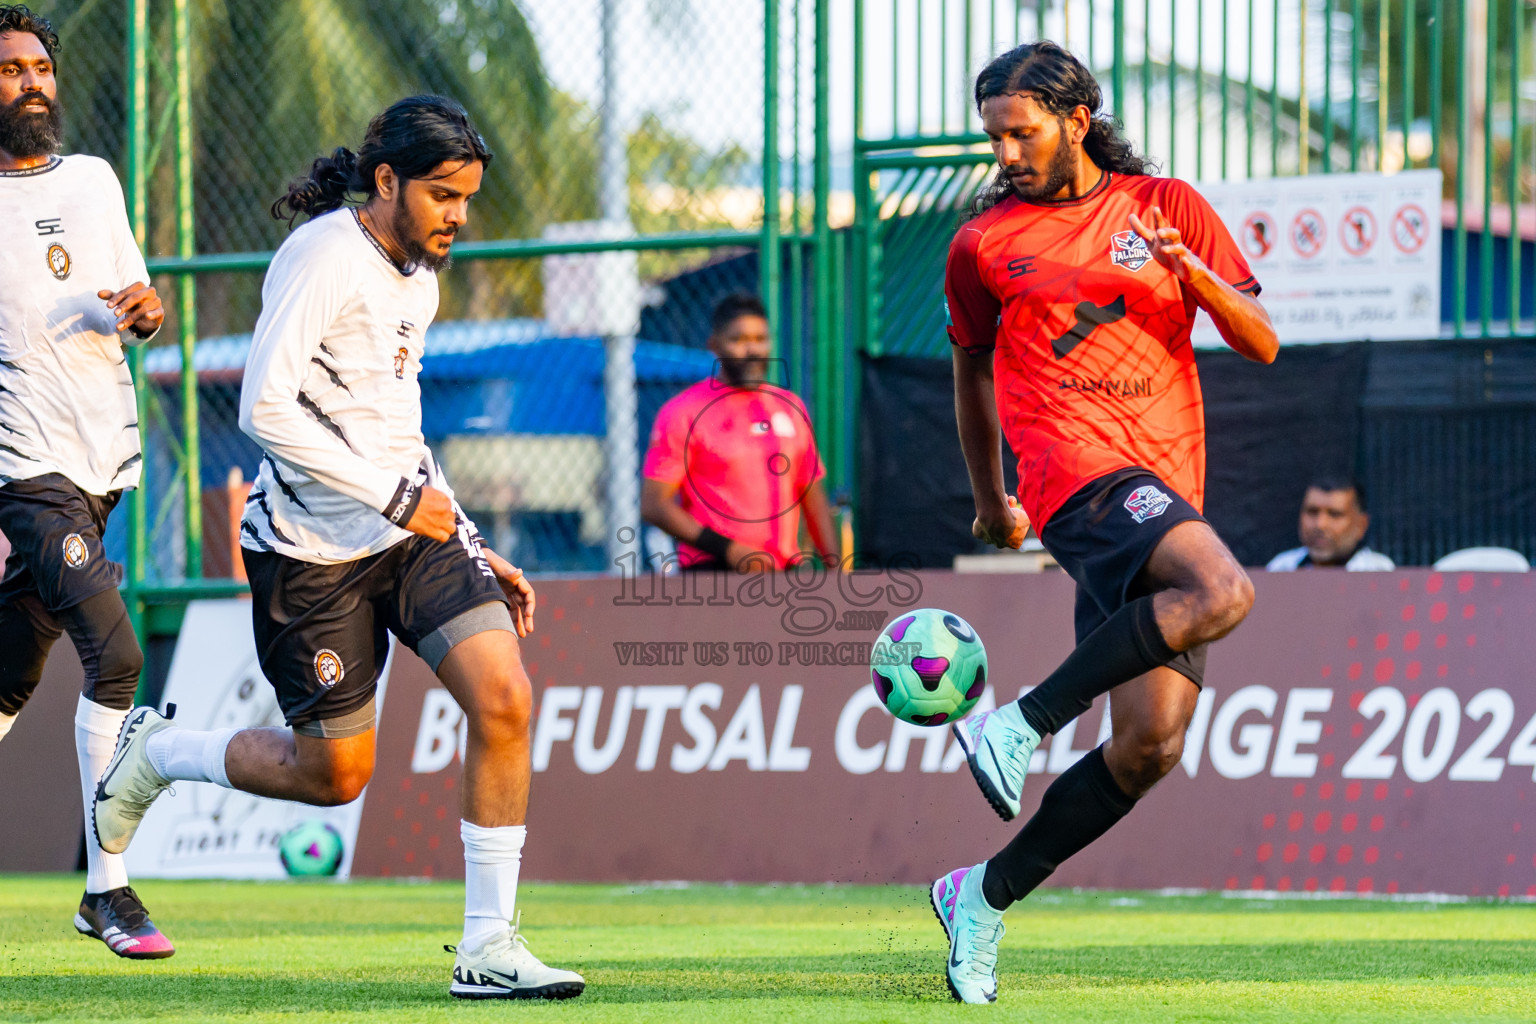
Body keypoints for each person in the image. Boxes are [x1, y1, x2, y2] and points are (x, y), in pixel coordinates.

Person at [91, 95, 584, 1000]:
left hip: (409, 539)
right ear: (386, 180)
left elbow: (401, 430)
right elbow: (263, 409)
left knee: (505, 697)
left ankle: (490, 948)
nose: (457, 217)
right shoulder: (323, 256)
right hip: (308, 553)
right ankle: (160, 753)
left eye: (468, 199)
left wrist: (466, 531)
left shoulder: (422, 279)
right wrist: (399, 497)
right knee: (335, 776)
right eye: (442, 195)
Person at [934, 42, 1278, 1004]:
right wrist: (990, 496)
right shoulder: (983, 245)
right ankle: (1021, 722)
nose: (1004, 151)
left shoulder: (1165, 208)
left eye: (1022, 131)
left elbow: (1262, 340)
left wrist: (1191, 273)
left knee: (1150, 746)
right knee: (1223, 591)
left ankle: (981, 897)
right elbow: (969, 371)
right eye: (994, 135)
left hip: (1165, 489)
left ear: (1077, 120)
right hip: (1074, 475)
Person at [0, 5, 173, 959]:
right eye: (10, 69)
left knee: (8, 680)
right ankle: (106, 891)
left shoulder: (96, 181)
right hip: (28, 471)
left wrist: (147, 312)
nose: (31, 82)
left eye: (39, 66)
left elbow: (141, 310)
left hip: (105, 462)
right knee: (117, 655)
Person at [640, 293, 838, 571]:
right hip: (712, 574)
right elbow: (654, 505)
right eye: (739, 340)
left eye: (760, 339)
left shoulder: (791, 408)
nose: (752, 350)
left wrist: (838, 574)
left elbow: (814, 496)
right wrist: (730, 550)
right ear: (714, 345)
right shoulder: (683, 412)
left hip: (782, 575)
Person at [1265, 478, 1394, 571]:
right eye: (1312, 512)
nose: (1320, 525)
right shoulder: (1282, 568)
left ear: (1361, 525)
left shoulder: (1378, 571)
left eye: (1334, 514)